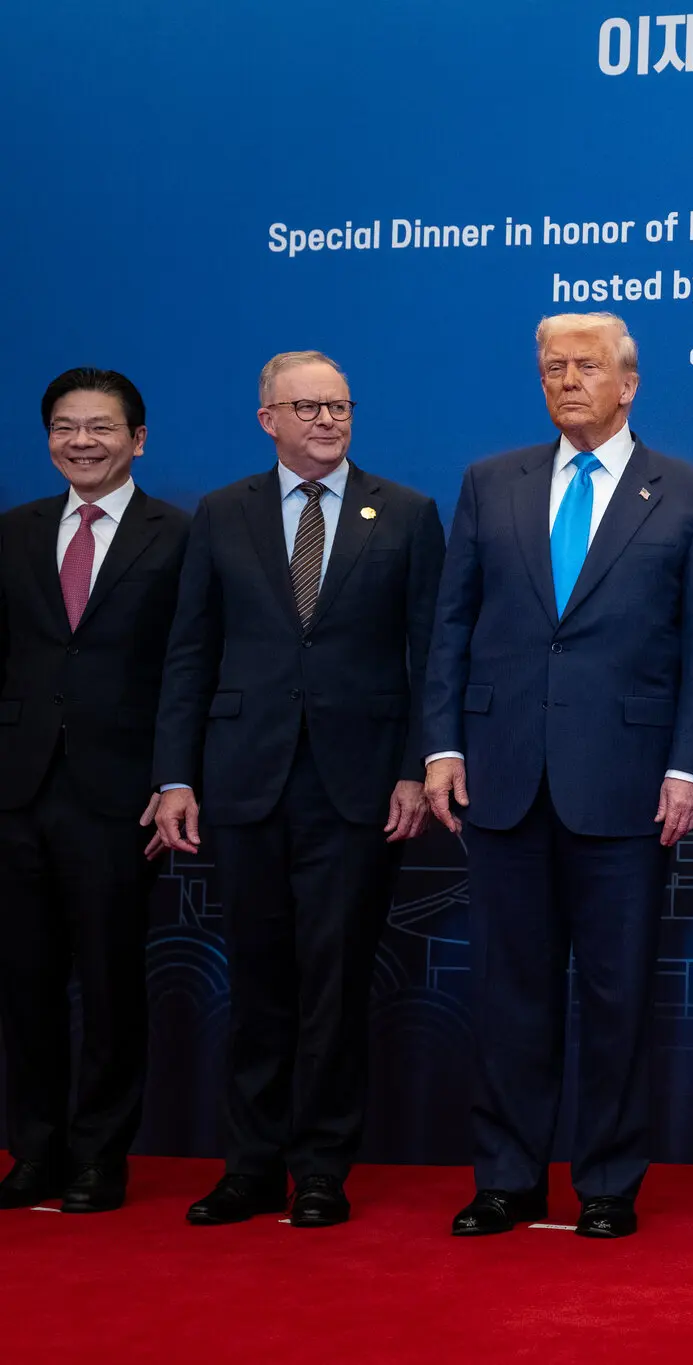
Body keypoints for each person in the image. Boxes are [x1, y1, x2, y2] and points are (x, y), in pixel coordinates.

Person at [423, 312, 693, 1240]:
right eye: (552, 367)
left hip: (631, 784)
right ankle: (507, 1178)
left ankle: (607, 1180)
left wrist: (688, 766)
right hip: (503, 780)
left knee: (615, 994)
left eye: (586, 366)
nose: (566, 381)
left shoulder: (690, 494)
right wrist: (442, 746)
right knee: (508, 994)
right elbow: (451, 626)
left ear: (629, 382)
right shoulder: (491, 483)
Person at [154, 351, 444, 1228]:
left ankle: (321, 1166)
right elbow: (190, 652)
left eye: (340, 405)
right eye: (307, 406)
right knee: (258, 981)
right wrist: (175, 773)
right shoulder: (222, 513)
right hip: (244, 779)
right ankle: (250, 1166)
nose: (327, 420)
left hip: (358, 787)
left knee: (336, 982)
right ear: (266, 419)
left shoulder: (405, 512)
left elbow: (430, 654)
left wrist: (414, 765)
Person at [0, 369, 189, 1214]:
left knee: (111, 986)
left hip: (121, 794)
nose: (82, 441)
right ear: (47, 439)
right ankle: (32, 1151)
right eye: (65, 427)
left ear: (137, 439)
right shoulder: (14, 531)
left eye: (101, 427)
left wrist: (173, 775)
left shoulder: (180, 535)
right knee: (25, 984)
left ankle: (98, 1157)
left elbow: (190, 668)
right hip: (17, 789)